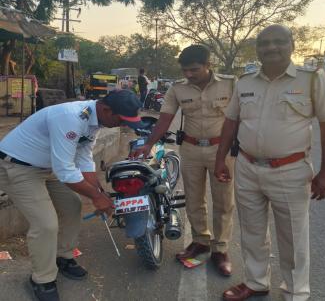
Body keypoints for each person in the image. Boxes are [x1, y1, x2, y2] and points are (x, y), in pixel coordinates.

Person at [215, 25, 325, 301]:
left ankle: (296, 292)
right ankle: (256, 282)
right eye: (265, 43)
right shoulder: (245, 82)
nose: (271, 47)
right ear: (257, 49)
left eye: (278, 42)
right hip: (247, 167)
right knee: (251, 231)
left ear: (292, 45)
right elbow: (231, 121)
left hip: (290, 170)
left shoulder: (312, 79)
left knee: (293, 238)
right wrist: (220, 160)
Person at [0, 90, 143, 301]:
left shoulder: (96, 120)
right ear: (106, 109)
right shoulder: (70, 117)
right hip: (18, 166)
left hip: (48, 166)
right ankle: (42, 279)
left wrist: (99, 191)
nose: (123, 125)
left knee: (73, 206)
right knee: (46, 224)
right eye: (121, 119)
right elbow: (66, 170)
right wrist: (96, 197)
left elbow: (84, 157)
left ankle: (64, 257)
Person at [131, 45, 236, 276]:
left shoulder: (230, 84)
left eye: (194, 69)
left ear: (209, 65)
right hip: (190, 149)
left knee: (223, 200)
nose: (188, 74)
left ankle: (220, 249)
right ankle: (200, 240)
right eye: (185, 70)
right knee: (194, 198)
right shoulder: (177, 88)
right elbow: (165, 118)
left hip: (222, 150)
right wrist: (149, 144)